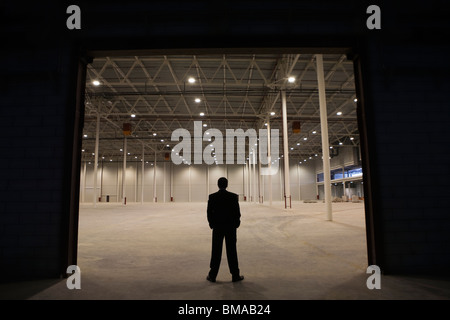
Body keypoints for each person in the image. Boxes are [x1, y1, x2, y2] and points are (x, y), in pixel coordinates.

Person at [206, 177, 244, 283]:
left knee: (216, 251)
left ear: (218, 185)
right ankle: (235, 275)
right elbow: (237, 212)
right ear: (227, 185)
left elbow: (209, 212)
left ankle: (212, 275)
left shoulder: (212, 197)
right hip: (230, 228)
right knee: (232, 251)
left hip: (218, 228)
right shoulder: (233, 197)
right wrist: (236, 224)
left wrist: (212, 224)